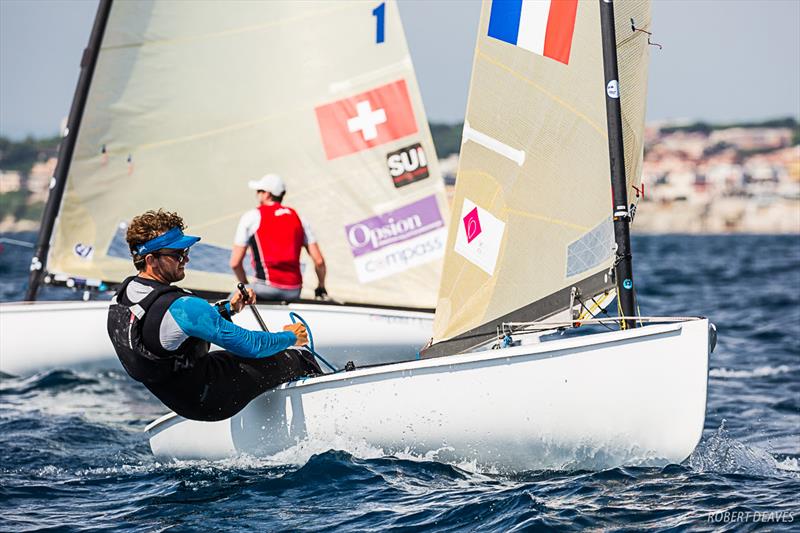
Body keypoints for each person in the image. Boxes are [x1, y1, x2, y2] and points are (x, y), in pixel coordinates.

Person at [107, 209, 322, 422]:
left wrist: (228, 308)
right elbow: (251, 345)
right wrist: (290, 337)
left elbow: (164, 329)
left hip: (184, 400)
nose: (186, 258)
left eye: (186, 250)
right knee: (296, 357)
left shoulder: (123, 297)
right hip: (214, 401)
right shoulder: (183, 306)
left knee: (238, 362)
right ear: (151, 260)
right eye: (177, 254)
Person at [229, 173, 327, 302]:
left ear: (267, 194)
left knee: (224, 308)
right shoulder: (299, 218)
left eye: (259, 191)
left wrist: (245, 288)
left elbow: (235, 263)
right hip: (294, 291)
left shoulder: (252, 217)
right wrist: (321, 286)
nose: (257, 194)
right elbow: (319, 261)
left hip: (266, 288)